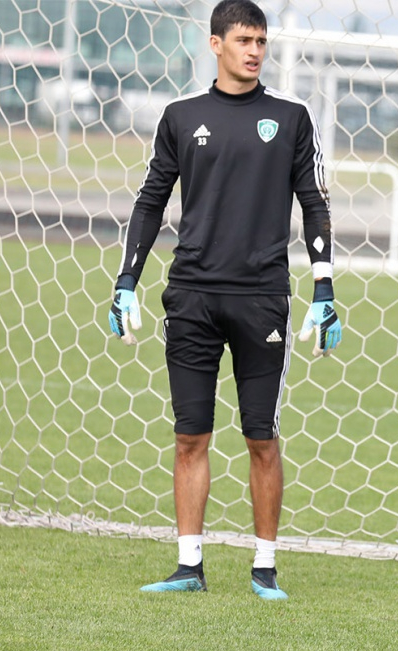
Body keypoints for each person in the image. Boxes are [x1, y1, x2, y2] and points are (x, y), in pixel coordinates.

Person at [107, 0, 342, 600]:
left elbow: (314, 202)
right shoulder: (181, 116)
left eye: (261, 41)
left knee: (261, 438)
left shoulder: (291, 117)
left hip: (262, 299)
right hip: (191, 296)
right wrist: (126, 280)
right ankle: (189, 566)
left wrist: (324, 288)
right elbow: (150, 201)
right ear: (216, 44)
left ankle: (264, 569)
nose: (255, 51)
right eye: (244, 40)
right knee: (191, 436)